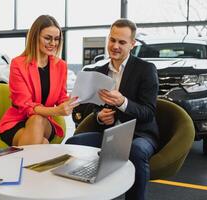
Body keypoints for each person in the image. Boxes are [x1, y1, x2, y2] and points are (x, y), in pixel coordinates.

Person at [66, 18, 159, 200]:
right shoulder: (99, 71)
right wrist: (100, 116)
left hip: (140, 135)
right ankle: (84, 195)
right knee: (73, 143)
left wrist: (123, 102)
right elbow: (93, 107)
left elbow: (149, 112)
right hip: (109, 134)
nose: (115, 46)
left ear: (132, 44)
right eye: (112, 40)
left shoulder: (146, 69)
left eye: (122, 42)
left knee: (136, 151)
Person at [0, 15, 77, 146]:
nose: (53, 43)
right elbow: (25, 105)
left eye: (56, 39)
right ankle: (38, 163)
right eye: (47, 38)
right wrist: (56, 111)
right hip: (16, 123)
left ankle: (20, 165)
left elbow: (61, 97)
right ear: (35, 37)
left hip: (45, 123)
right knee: (42, 142)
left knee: (37, 119)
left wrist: (70, 102)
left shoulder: (60, 65)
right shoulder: (18, 64)